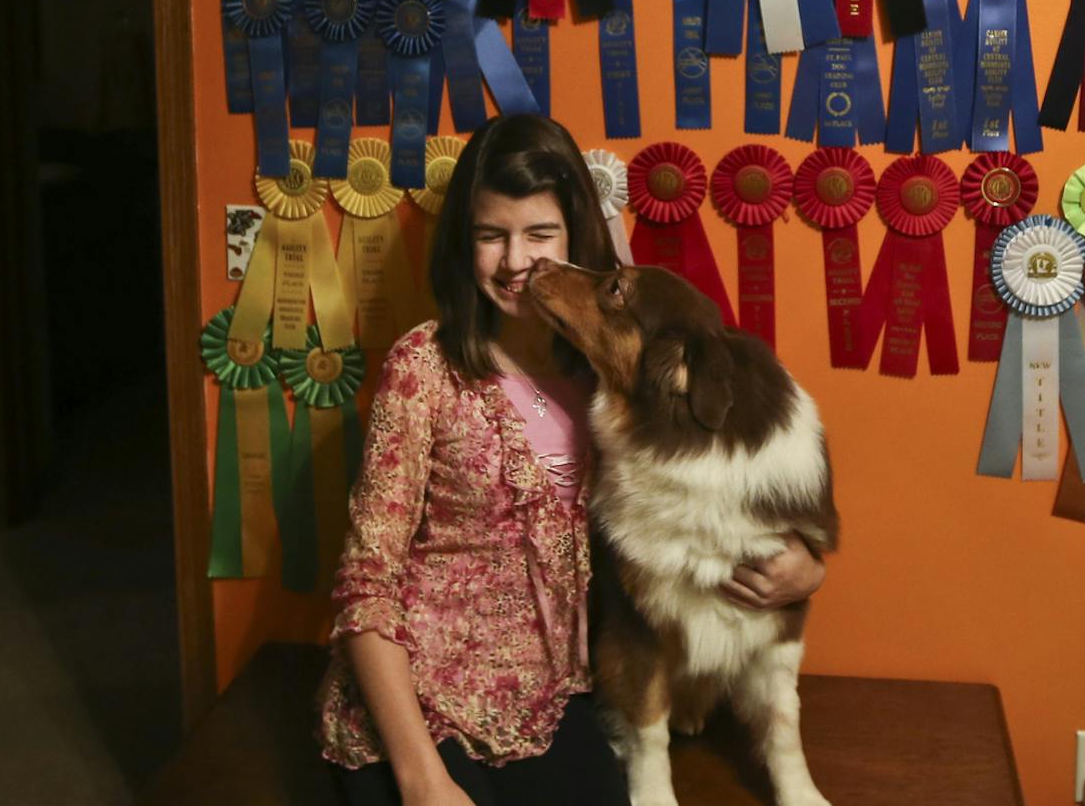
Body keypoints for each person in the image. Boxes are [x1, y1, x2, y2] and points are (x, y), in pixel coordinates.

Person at [317, 114, 827, 805]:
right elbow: (365, 582)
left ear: (574, 238)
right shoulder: (424, 368)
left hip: (555, 704)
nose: (517, 260)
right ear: (464, 244)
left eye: (540, 234)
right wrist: (422, 779)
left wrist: (804, 565)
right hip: (416, 705)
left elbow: (709, 511)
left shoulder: (614, 384)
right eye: (491, 235)